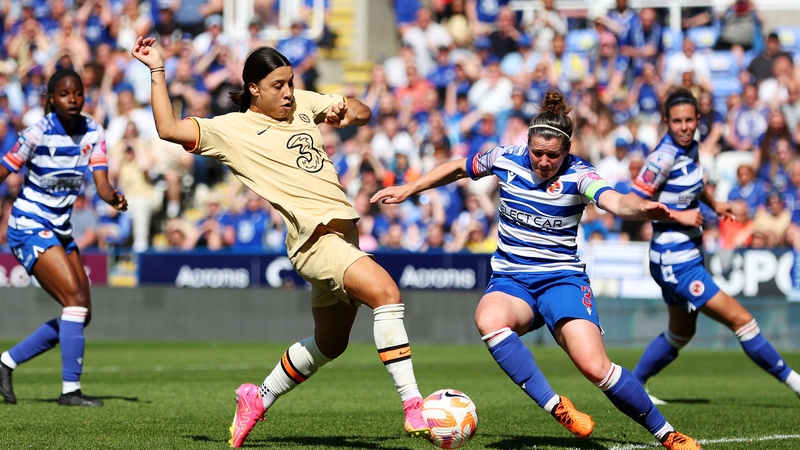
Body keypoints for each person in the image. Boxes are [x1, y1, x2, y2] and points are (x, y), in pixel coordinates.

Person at [131, 38, 431, 447]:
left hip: (343, 236)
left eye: (290, 82)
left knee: (330, 344)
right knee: (386, 293)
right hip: (315, 241)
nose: (288, 92)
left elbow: (364, 111)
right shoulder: (231, 130)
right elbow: (168, 129)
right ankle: (414, 406)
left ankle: (258, 397)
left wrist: (349, 111)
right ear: (253, 88)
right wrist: (158, 70)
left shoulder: (301, 103)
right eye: (277, 85)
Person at [371, 90, 701, 450]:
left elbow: (616, 202)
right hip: (513, 281)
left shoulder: (580, 174)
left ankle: (667, 434)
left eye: (553, 155)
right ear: (526, 144)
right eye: (537, 153)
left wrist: (640, 209)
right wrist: (409, 187)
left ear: (567, 150)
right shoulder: (504, 159)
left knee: (595, 368)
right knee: (488, 319)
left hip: (562, 281)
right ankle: (556, 406)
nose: (544, 162)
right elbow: (456, 167)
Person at [630, 89, 800, 405]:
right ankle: (795, 382)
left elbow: (695, 183)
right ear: (666, 121)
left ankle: (634, 385)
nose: (684, 127)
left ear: (698, 121)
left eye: (689, 120)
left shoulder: (690, 148)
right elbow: (634, 201)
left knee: (681, 333)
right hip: (674, 260)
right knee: (743, 320)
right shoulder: (662, 157)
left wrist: (714, 202)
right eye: (677, 121)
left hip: (686, 254)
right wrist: (680, 215)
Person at [0, 68, 127, 407]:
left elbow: (101, 184)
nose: (73, 99)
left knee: (81, 311)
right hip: (28, 224)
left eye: (78, 93)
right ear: (51, 99)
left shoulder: (94, 132)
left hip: (60, 229)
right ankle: (70, 391)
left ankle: (6, 362)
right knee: (73, 299)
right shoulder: (37, 132)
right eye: (65, 94)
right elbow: (5, 168)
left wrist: (113, 197)